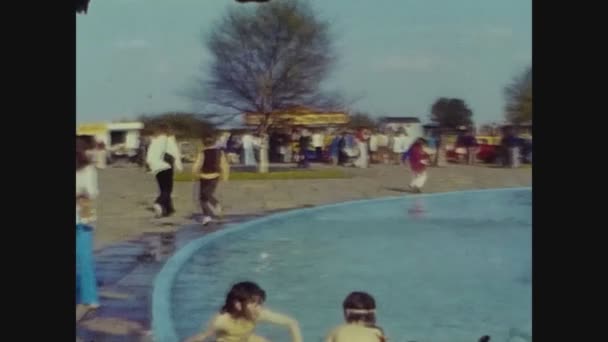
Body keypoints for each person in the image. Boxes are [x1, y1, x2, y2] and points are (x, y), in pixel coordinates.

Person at [185, 281, 303, 342]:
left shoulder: (258, 314)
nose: (259, 308)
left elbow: (292, 323)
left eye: (260, 303)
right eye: (254, 304)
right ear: (238, 305)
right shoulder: (222, 320)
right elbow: (202, 337)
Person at [76, 138, 100, 317]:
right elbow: (92, 193)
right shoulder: (88, 169)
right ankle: (90, 298)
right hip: (82, 216)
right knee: (85, 259)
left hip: (81, 216)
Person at [146, 124, 183, 217]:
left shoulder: (154, 140)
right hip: (166, 165)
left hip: (156, 167)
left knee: (162, 188)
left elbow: (149, 156)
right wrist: (179, 166)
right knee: (168, 189)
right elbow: (175, 152)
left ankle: (168, 209)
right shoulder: (168, 139)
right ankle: (158, 203)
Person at [192, 134, 230, 226]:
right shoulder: (219, 152)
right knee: (206, 195)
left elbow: (197, 164)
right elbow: (224, 165)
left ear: (203, 143)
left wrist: (194, 173)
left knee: (204, 197)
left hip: (205, 176)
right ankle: (210, 212)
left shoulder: (202, 153)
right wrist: (225, 176)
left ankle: (209, 213)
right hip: (213, 176)